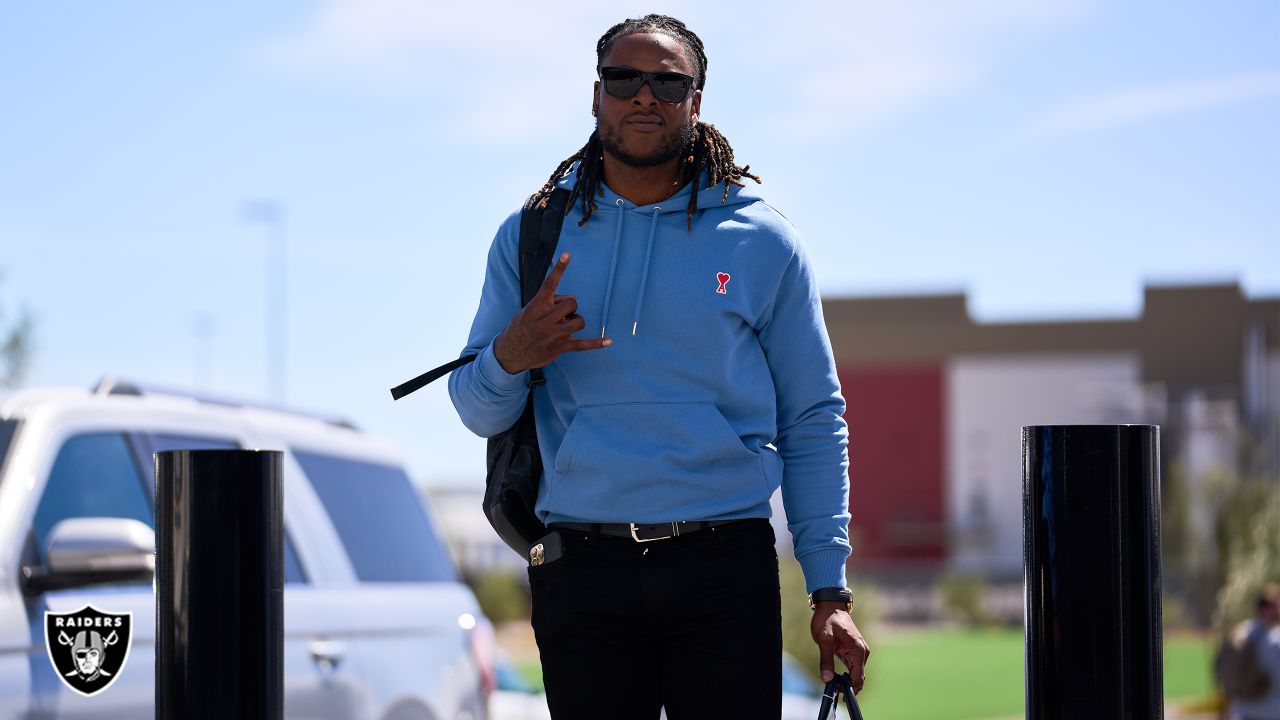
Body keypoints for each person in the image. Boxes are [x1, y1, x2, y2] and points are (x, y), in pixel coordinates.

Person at [449, 14, 868, 718]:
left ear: (696, 101)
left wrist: (830, 590)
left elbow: (813, 419)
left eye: (668, 82)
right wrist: (511, 356)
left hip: (722, 563)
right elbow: (478, 410)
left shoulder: (760, 239)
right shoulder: (532, 236)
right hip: (581, 569)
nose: (645, 96)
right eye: (624, 79)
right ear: (596, 96)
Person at [1226, 583, 1280, 720]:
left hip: (1241, 708)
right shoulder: (1273, 639)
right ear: (1271, 608)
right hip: (1270, 710)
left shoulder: (1242, 631)